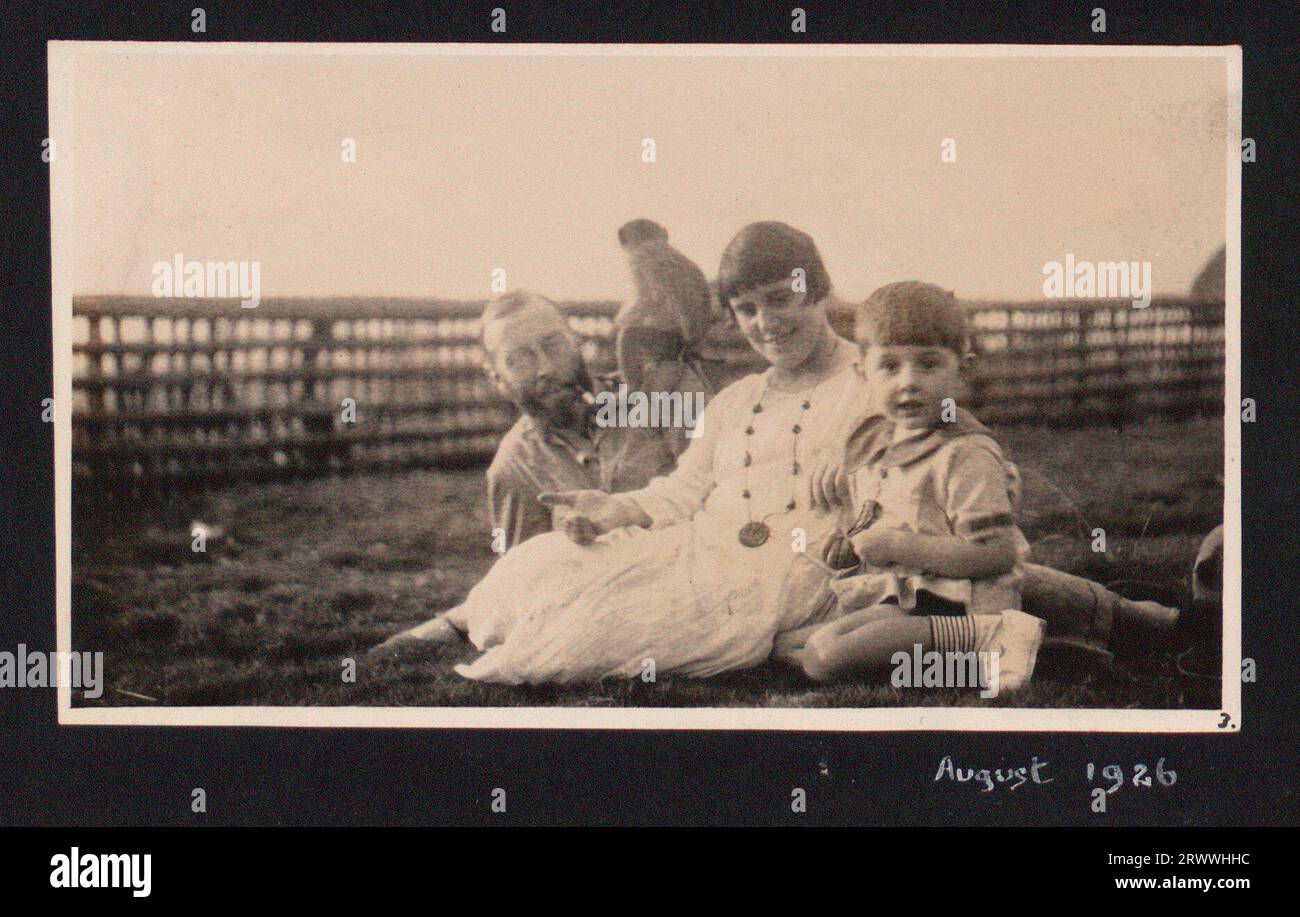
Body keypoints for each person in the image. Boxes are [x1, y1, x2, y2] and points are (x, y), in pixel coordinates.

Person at [777, 282, 1045, 688]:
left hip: (956, 602)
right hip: (903, 597)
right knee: (785, 645)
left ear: (962, 370)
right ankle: (965, 663)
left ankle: (995, 638)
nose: (908, 382)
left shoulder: (963, 451)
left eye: (928, 365)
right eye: (889, 366)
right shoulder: (877, 439)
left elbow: (996, 554)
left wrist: (900, 547)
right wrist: (847, 540)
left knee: (825, 656)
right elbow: (876, 510)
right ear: (862, 371)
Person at [475, 290, 677, 550]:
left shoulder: (653, 400)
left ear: (577, 342)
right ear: (497, 379)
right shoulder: (514, 468)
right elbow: (527, 578)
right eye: (520, 359)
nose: (546, 368)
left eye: (554, 346)